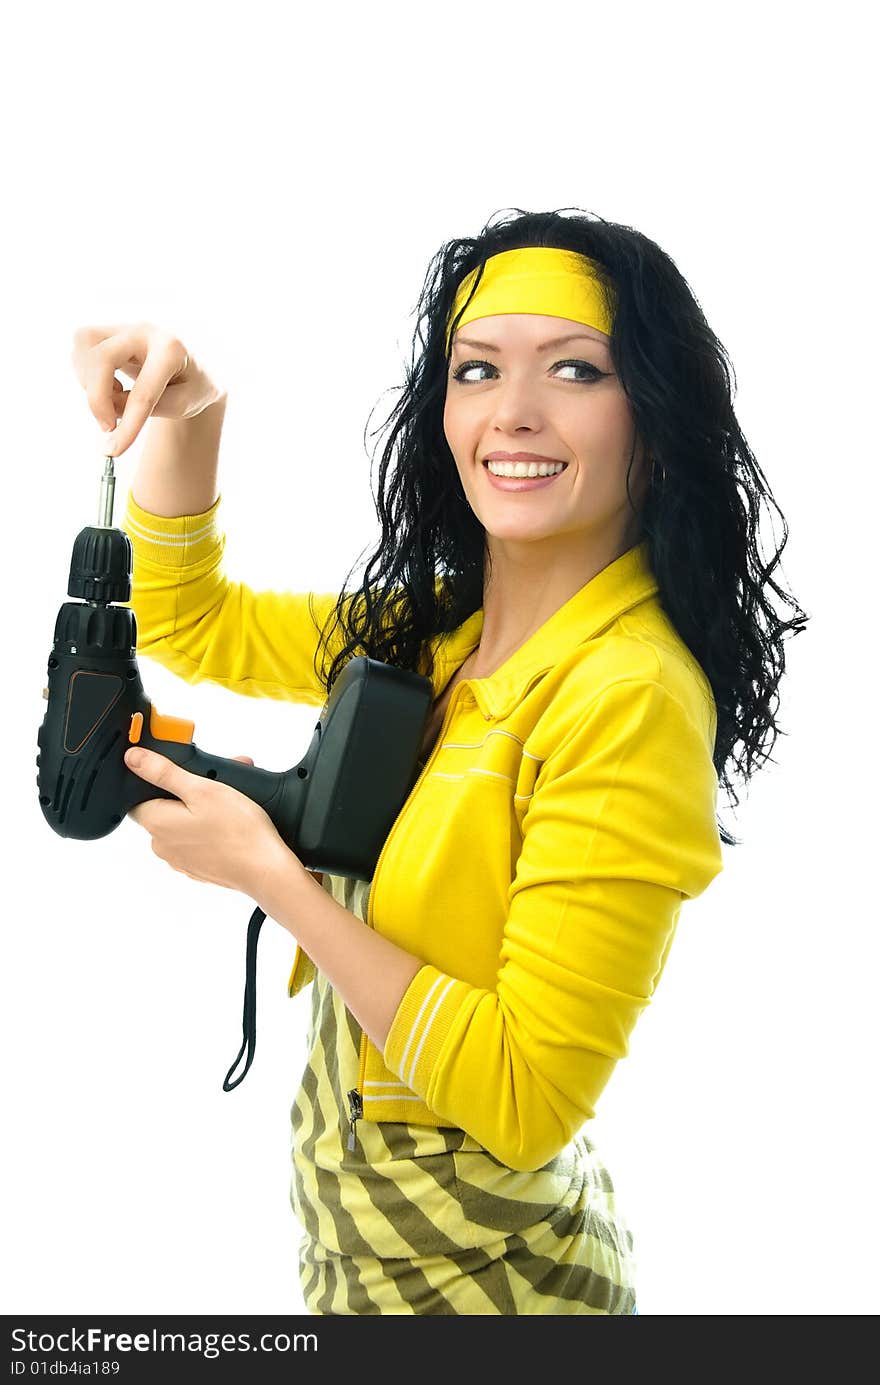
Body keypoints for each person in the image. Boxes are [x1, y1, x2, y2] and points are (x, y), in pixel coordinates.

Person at [71, 207, 808, 1316]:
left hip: (498, 1295)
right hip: (360, 1268)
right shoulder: (441, 633)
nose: (512, 412)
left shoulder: (630, 698)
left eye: (574, 369)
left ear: (653, 420)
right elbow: (193, 622)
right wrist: (191, 418)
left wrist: (269, 873)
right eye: (476, 369)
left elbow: (521, 1098)